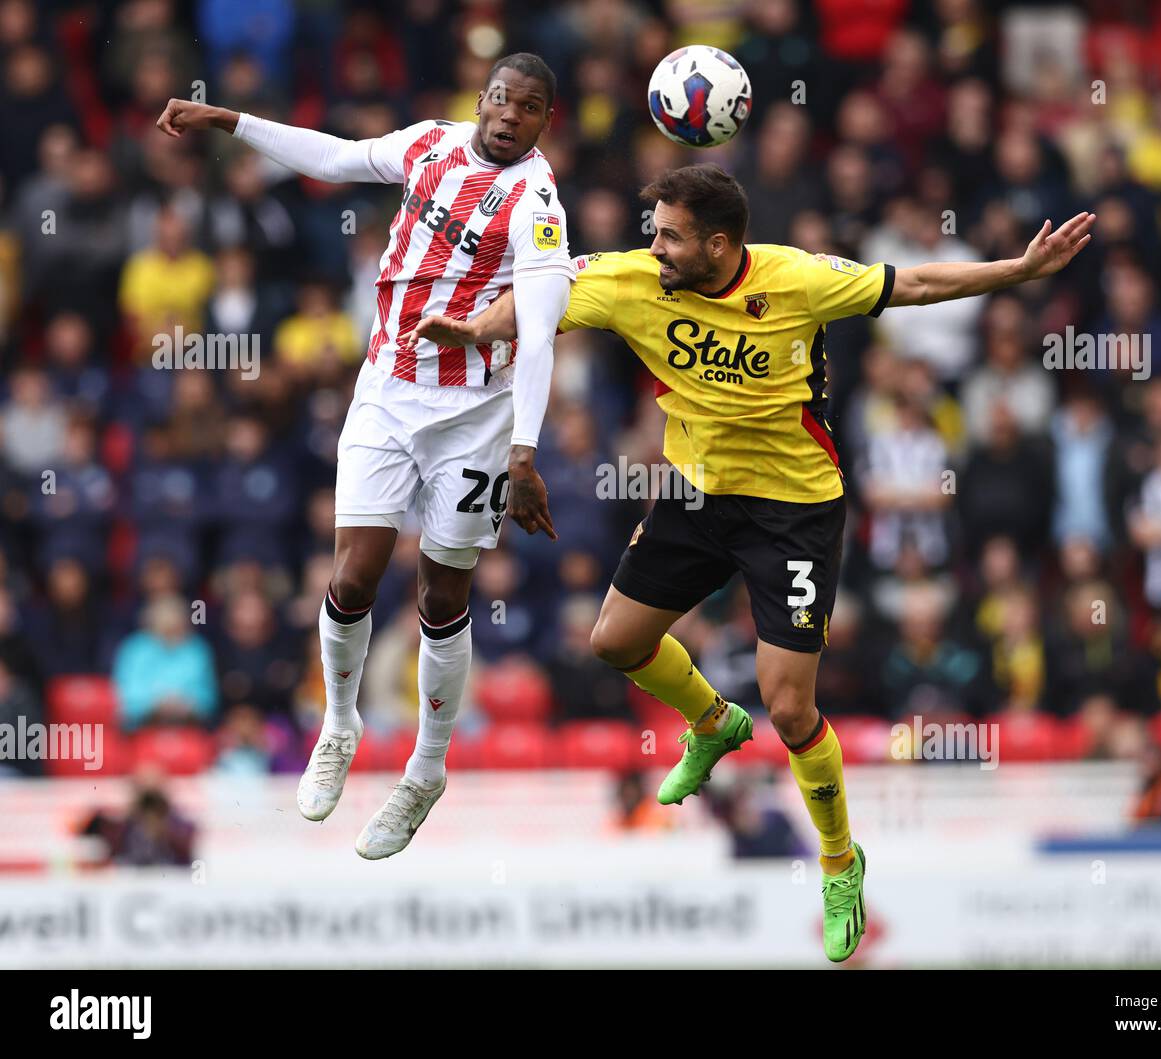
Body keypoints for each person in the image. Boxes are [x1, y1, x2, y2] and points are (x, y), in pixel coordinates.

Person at [408, 164, 1094, 961]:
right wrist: (475, 331)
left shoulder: (796, 279)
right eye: (652, 229)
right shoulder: (631, 280)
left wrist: (1017, 270)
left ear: (720, 245)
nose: (653, 245)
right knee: (614, 642)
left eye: (668, 235)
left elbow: (913, 284)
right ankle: (711, 719)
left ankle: (839, 862)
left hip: (794, 510)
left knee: (792, 708)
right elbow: (534, 301)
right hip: (697, 495)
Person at [155, 53, 574, 859]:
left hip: (475, 415)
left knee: (442, 592)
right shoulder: (429, 144)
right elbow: (337, 156)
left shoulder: (536, 203)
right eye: (499, 98)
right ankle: (339, 726)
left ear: (544, 121)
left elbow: (542, 333)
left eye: (526, 108)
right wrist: (230, 122)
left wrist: (523, 452)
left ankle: (425, 765)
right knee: (351, 575)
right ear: (480, 98)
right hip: (386, 389)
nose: (507, 115)